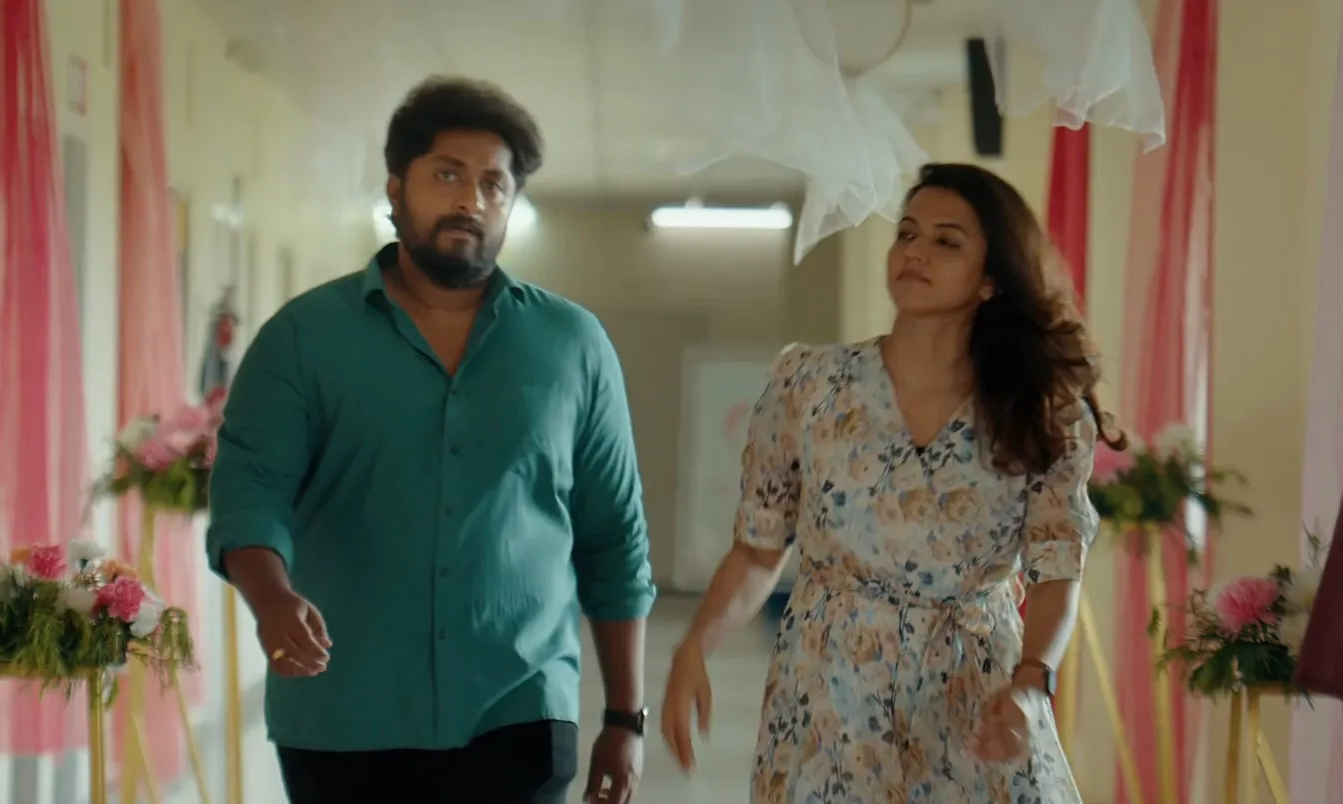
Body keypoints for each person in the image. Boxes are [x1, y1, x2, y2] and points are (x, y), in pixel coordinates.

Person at [207, 76, 657, 804]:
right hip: (345, 714)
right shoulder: (304, 339)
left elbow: (614, 537)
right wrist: (272, 597)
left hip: (520, 708)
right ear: (396, 189)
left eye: (493, 183)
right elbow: (249, 488)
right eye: (447, 175)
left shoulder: (573, 346)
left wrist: (625, 718)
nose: (470, 199)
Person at [658, 163, 1121, 803]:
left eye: (946, 241)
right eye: (907, 233)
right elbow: (759, 550)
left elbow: (1056, 573)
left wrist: (1030, 684)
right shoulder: (809, 386)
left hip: (972, 700)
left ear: (991, 278)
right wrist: (694, 646)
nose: (915, 252)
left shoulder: (1039, 412)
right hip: (828, 701)